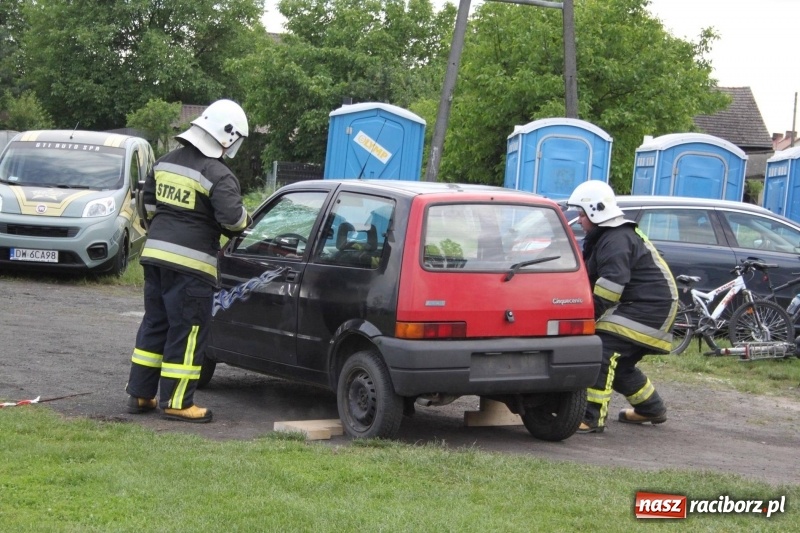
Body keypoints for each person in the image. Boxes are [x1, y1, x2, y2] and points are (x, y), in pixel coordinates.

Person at [125, 99, 251, 423]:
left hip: (154, 259)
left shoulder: (165, 163)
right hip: (191, 267)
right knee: (188, 331)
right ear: (227, 137)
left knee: (155, 324)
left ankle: (140, 394)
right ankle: (178, 402)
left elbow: (148, 206)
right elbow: (234, 221)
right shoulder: (218, 174)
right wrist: (245, 218)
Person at [566, 180, 678, 433]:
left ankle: (590, 417)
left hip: (648, 311)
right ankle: (651, 408)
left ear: (596, 212)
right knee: (622, 364)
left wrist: (585, 317)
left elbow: (610, 288)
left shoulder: (615, 239)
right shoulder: (608, 236)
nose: (580, 220)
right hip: (645, 307)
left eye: (583, 214)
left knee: (602, 350)